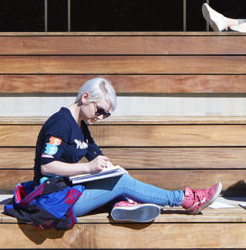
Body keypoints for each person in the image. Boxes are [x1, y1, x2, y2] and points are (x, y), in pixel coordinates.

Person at [32, 77, 221, 223]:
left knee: (120, 180)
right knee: (122, 184)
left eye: (105, 115)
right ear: (85, 97)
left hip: (67, 193)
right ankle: (185, 199)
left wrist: (115, 171)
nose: (100, 117)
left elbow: (96, 155)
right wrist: (89, 168)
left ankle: (124, 204)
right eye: (99, 111)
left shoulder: (80, 124)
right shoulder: (61, 123)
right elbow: (47, 167)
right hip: (53, 201)